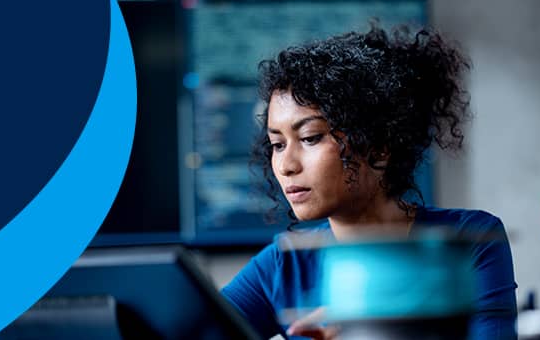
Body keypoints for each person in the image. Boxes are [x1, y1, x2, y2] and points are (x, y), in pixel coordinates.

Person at [221, 24, 517, 339]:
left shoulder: (469, 241)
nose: (286, 165)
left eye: (309, 138)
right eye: (277, 144)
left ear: (378, 148)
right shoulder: (283, 265)